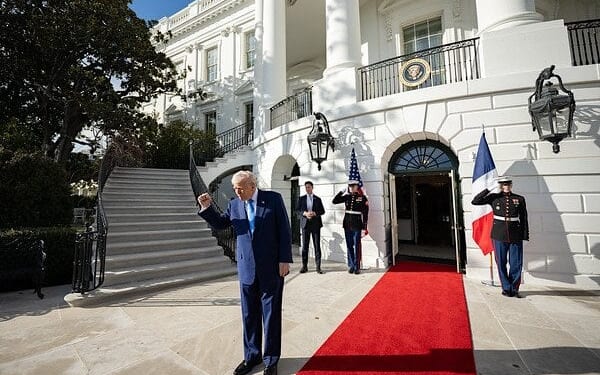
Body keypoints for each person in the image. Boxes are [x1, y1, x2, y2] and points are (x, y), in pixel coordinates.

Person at [197, 171, 292, 375]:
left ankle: (271, 360)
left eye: (240, 188)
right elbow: (221, 224)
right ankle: (252, 357)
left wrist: (285, 259)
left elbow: (284, 230)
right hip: (247, 268)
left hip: (272, 268)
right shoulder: (234, 204)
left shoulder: (273, 199)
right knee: (249, 315)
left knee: (271, 315)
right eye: (234, 188)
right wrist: (206, 208)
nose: (236, 192)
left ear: (252, 185)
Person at [471, 176, 529, 298]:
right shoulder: (494, 198)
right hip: (498, 234)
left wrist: (525, 235)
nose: (506, 186)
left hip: (515, 234)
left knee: (516, 263)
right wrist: (489, 189)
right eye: (503, 184)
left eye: (508, 184)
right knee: (501, 262)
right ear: (500, 186)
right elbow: (476, 201)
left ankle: (514, 288)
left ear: (511, 185)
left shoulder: (519, 199)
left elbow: (523, 218)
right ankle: (506, 288)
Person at [332, 180, 369, 274]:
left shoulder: (362, 197)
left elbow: (365, 213)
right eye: (350, 186)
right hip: (347, 224)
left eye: (353, 186)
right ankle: (351, 265)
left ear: (357, 187)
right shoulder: (347, 196)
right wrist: (341, 192)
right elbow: (334, 201)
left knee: (356, 245)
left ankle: (357, 267)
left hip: (357, 224)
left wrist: (364, 227)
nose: (352, 188)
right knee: (349, 245)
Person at [296, 181, 326, 274]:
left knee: (317, 246)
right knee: (305, 246)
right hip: (305, 224)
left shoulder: (317, 199)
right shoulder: (301, 199)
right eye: (306, 187)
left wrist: (315, 213)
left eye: (309, 187)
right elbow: (297, 211)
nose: (307, 188)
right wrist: (305, 213)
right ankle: (304, 266)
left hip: (315, 224)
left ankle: (318, 267)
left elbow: (322, 211)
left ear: (312, 188)